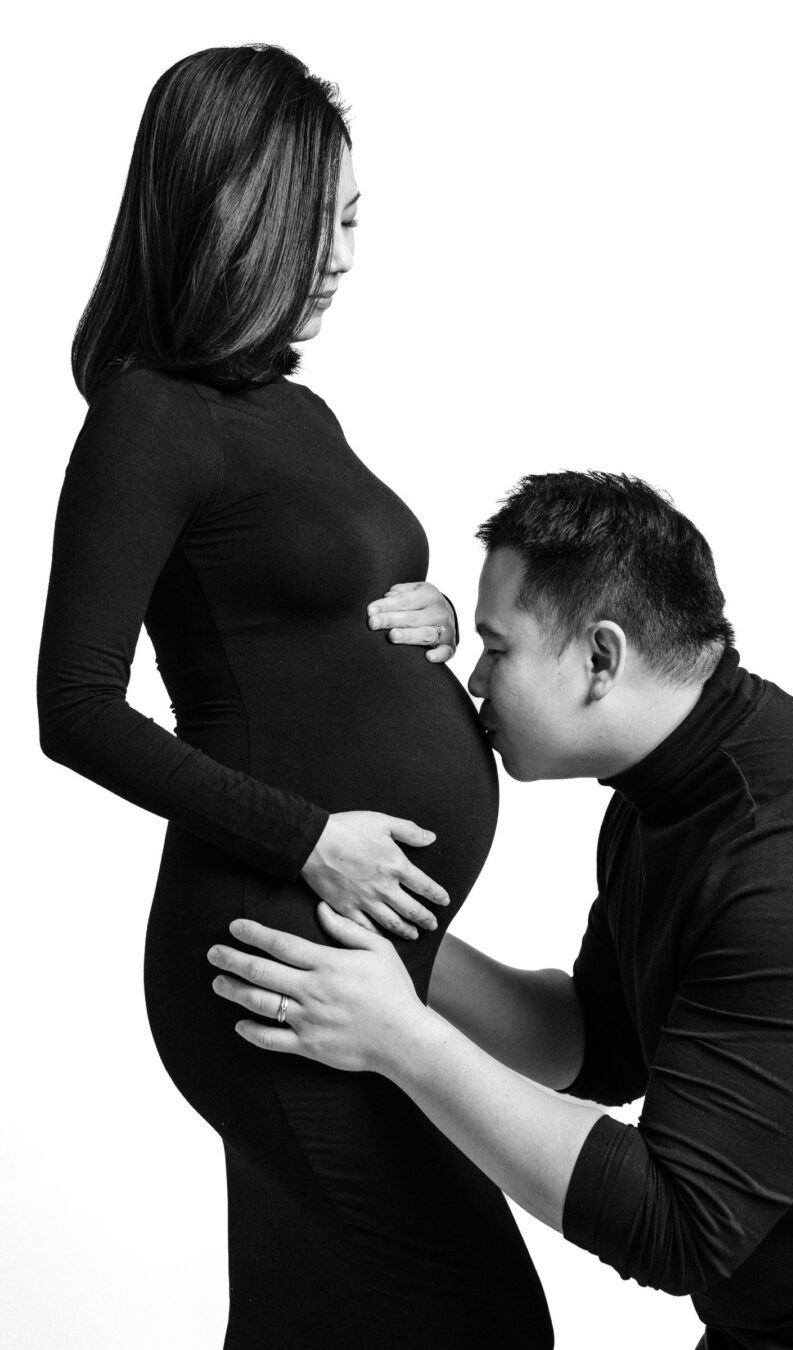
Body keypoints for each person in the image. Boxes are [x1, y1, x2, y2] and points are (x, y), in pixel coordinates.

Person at [37, 44, 552, 1350]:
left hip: (365, 957)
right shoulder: (149, 419)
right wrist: (310, 837)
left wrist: (428, 603)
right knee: (477, 1316)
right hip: (270, 952)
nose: (340, 252)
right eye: (318, 218)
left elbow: (318, 600)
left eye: (355, 221)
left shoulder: (289, 406)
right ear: (227, 208)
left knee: (302, 1315)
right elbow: (75, 705)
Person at [208, 471, 793, 1350]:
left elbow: (679, 1224)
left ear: (601, 658)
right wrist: (407, 947)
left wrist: (399, 1040)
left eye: (497, 648)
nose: (475, 678)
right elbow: (600, 1047)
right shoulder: (664, 798)